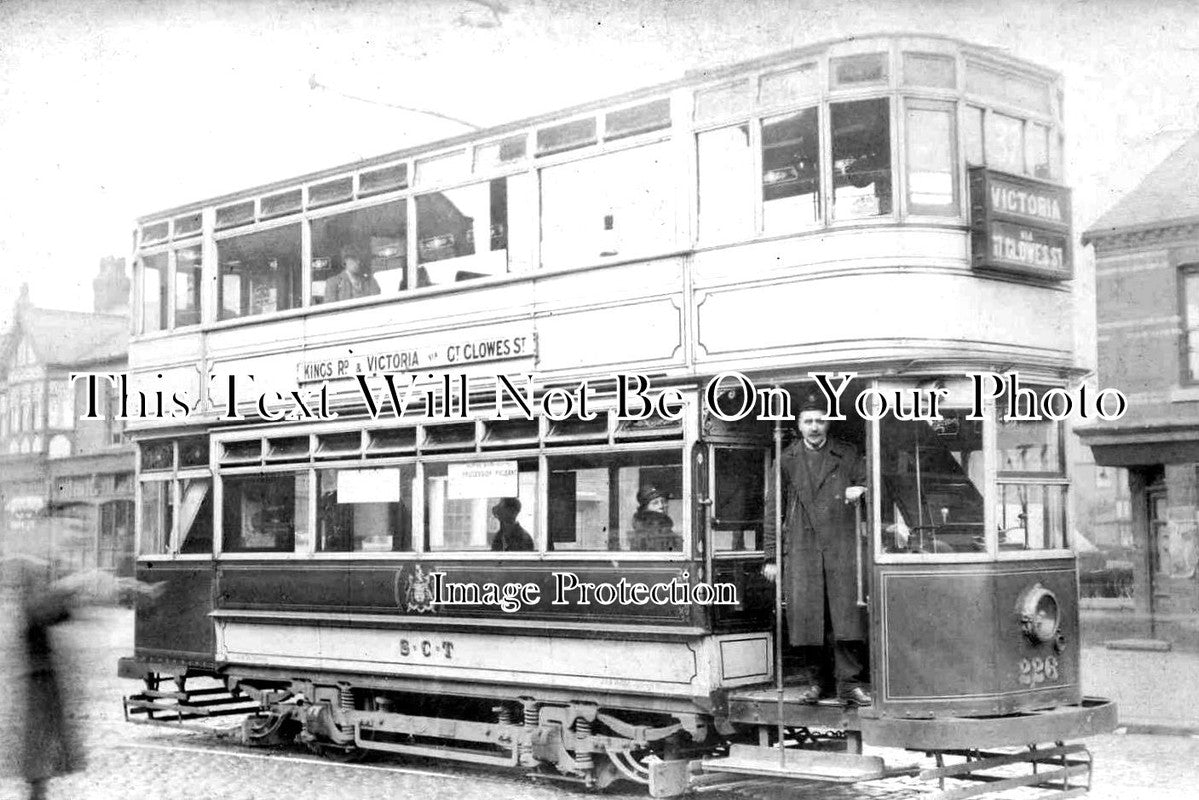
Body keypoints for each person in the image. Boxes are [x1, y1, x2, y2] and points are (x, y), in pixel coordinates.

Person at [762, 391, 871, 706]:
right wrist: (772, 557)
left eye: (820, 420)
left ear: (828, 423)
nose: (815, 427)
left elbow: (871, 482)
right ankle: (817, 683)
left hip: (843, 547)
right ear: (798, 425)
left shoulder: (848, 455)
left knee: (846, 618)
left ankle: (848, 684)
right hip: (803, 548)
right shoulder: (786, 460)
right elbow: (773, 511)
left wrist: (861, 488)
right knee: (809, 620)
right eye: (808, 421)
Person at [630, 485, 682, 551]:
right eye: (655, 503)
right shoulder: (645, 532)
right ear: (645, 508)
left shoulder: (665, 528)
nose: (661, 506)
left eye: (663, 502)